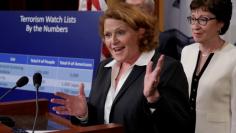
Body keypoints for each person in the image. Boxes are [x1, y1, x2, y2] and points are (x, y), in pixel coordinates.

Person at [51, 3, 191, 133]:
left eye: (120, 32)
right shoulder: (104, 68)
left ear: (140, 32)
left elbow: (180, 128)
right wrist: (84, 114)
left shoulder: (168, 69)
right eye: (108, 35)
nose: (113, 41)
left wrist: (154, 100)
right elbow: (101, 121)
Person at [181, 0, 236, 133]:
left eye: (203, 20)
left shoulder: (233, 57)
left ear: (220, 23)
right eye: (193, 19)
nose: (195, 26)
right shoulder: (186, 51)